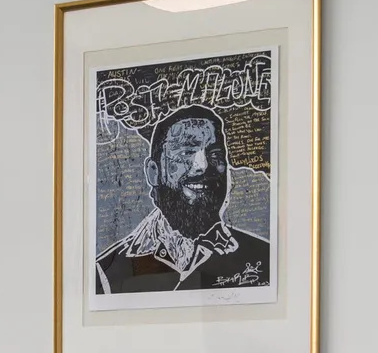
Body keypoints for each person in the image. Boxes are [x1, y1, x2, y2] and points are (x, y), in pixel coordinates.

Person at [95, 104, 271, 295]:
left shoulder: (263, 259)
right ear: (154, 172)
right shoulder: (106, 275)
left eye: (215, 155)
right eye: (186, 152)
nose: (203, 166)